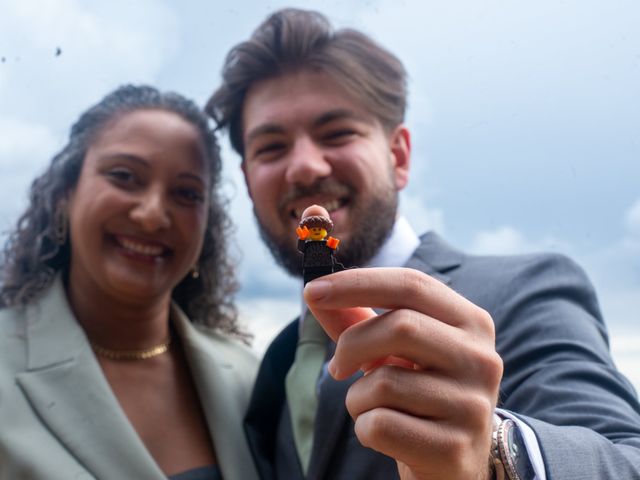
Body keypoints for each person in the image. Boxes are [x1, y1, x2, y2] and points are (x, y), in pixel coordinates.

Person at [206, 8, 640, 480]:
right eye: (271, 147)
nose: (306, 166)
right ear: (248, 180)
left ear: (398, 157)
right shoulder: (277, 358)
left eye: (337, 133)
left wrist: (496, 452)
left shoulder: (526, 290)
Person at [0, 85, 259, 480]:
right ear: (64, 195)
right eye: (124, 176)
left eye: (186, 193)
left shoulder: (248, 379)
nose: (153, 215)